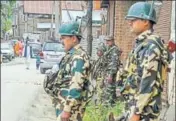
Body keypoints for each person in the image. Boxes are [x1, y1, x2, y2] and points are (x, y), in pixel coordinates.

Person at [116, 2, 172, 121]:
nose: (129, 22)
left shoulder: (151, 46)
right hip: (136, 104)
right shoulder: (142, 44)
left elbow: (148, 82)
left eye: (133, 19)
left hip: (144, 111)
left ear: (146, 21)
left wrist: (137, 112)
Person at [48, 21, 92, 121]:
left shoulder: (78, 57)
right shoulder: (72, 55)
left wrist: (67, 110)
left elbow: (76, 85)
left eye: (64, 38)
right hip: (64, 106)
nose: (61, 41)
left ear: (74, 38)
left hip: (72, 111)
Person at [100, 35, 122, 107]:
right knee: (107, 88)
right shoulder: (109, 48)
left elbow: (114, 63)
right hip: (107, 72)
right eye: (106, 41)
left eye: (108, 41)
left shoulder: (114, 49)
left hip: (110, 72)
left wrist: (111, 75)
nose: (107, 42)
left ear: (112, 41)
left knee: (109, 89)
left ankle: (108, 105)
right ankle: (110, 104)